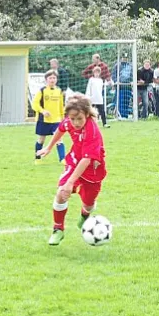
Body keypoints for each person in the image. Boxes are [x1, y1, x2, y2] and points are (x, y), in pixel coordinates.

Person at [36, 94, 106, 246]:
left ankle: (84, 214)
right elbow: (61, 129)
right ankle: (58, 229)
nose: (75, 122)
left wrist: (70, 183)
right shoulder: (70, 121)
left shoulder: (92, 131)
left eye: (79, 118)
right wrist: (48, 147)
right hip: (74, 161)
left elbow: (86, 160)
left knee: (89, 203)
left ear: (87, 114)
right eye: (72, 118)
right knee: (61, 193)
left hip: (93, 169)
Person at [32, 69, 65, 164]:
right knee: (41, 139)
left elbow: (61, 106)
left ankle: (62, 159)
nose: (52, 80)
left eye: (54, 78)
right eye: (50, 78)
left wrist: (62, 118)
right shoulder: (42, 91)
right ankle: (37, 158)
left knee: (59, 139)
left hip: (56, 120)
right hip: (44, 120)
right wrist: (43, 111)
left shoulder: (59, 91)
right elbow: (35, 104)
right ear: (46, 80)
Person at [111, 53, 133, 119]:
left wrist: (132, 81)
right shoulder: (117, 65)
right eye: (124, 57)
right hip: (120, 86)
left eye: (126, 58)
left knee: (126, 101)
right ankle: (120, 115)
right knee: (120, 101)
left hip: (128, 86)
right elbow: (114, 75)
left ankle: (125, 116)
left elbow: (132, 74)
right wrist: (116, 81)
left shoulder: (130, 66)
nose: (125, 59)